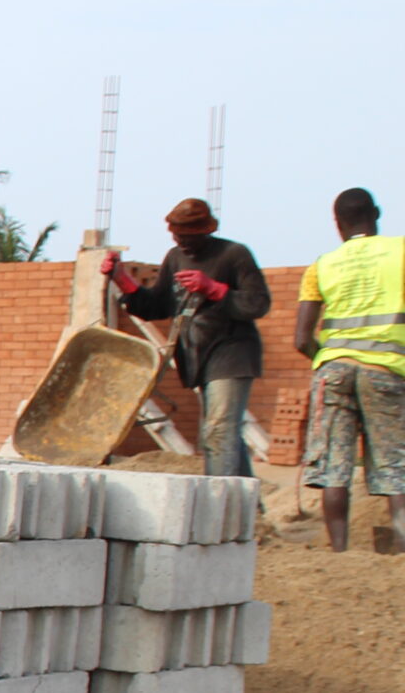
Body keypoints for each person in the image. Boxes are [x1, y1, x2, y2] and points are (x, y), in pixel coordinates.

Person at [106, 197, 271, 477]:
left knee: (218, 432)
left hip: (232, 354)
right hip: (199, 358)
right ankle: (247, 498)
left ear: (205, 231)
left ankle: (217, 498)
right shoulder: (175, 258)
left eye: (188, 236)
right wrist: (121, 279)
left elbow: (258, 303)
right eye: (177, 235)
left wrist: (214, 289)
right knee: (224, 433)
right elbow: (157, 306)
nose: (182, 241)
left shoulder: (233, 254)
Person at [295, 187, 405, 553]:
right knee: (395, 467)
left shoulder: (322, 265)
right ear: (377, 213)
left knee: (333, 469)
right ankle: (402, 547)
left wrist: (329, 359)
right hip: (386, 370)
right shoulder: (401, 252)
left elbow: (301, 338)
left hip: (334, 373)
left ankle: (339, 552)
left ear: (337, 223)